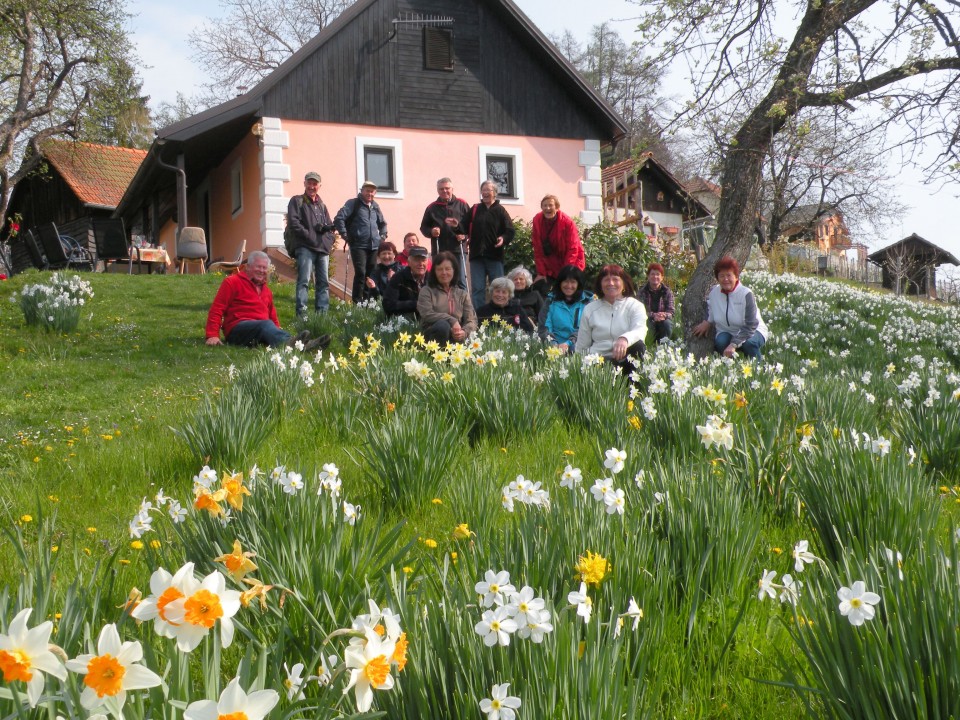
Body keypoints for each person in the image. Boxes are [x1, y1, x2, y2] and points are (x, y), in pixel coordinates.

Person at [205, 251, 328, 351]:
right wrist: (212, 335)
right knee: (265, 324)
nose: (262, 271)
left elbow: (273, 317)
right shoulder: (232, 282)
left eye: (264, 268)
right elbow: (217, 309)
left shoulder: (266, 291)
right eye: (258, 267)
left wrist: (276, 331)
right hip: (237, 331)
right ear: (248, 267)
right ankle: (293, 344)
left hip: (261, 331)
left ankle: (306, 346)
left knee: (267, 325)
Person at [692, 255, 769, 359]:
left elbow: (751, 324)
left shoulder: (746, 294)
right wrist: (707, 322)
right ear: (717, 278)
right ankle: (730, 370)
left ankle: (758, 369)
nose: (726, 279)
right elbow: (711, 308)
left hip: (752, 331)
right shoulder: (714, 293)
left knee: (749, 344)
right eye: (722, 276)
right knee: (720, 343)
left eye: (729, 275)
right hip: (727, 331)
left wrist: (734, 344)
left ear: (736, 277)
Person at [576, 264, 647, 369]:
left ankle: (632, 384)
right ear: (600, 284)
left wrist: (625, 339)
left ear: (624, 284)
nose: (611, 283)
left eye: (615, 279)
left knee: (638, 345)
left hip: (625, 359)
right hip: (598, 360)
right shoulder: (590, 309)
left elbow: (640, 330)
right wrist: (577, 365)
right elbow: (582, 344)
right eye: (606, 280)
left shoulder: (635, 306)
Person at [287, 171, 336, 317]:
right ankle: (301, 315)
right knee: (304, 281)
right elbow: (294, 223)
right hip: (305, 247)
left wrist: (328, 241)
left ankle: (322, 317)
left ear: (319, 186)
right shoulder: (297, 201)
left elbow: (330, 227)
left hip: (322, 249)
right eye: (309, 183)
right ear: (304, 184)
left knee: (323, 284)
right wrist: (310, 236)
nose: (312, 186)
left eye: (315, 184)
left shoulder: (322, 205)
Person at [335, 181, 388, 303]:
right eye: (367, 190)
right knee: (361, 273)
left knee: (371, 274)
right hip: (358, 245)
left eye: (372, 191)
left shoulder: (375, 206)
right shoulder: (353, 203)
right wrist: (345, 235)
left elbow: (383, 223)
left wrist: (382, 237)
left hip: (374, 246)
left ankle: (368, 302)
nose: (370, 193)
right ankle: (357, 302)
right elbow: (339, 218)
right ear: (362, 191)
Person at [467, 180, 515, 309]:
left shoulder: (500, 210)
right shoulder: (475, 209)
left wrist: (503, 239)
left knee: (499, 288)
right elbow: (463, 226)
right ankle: (479, 318)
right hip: (476, 256)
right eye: (483, 190)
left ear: (495, 193)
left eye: (489, 190)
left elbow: (510, 230)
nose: (486, 193)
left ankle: (499, 315)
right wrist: (457, 228)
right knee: (477, 289)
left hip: (495, 255)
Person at [420, 177, 471, 288]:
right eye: (441, 189)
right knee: (440, 280)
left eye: (447, 188)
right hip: (439, 249)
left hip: (458, 249)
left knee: (461, 280)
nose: (444, 191)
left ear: (452, 189)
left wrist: (465, 235)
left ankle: (464, 305)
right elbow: (423, 227)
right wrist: (431, 232)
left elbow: (471, 225)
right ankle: (442, 304)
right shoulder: (431, 207)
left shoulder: (462, 204)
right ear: (438, 190)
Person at [416, 251, 477, 343]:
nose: (444, 273)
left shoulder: (462, 294)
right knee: (443, 326)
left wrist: (464, 332)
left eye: (448, 269)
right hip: (433, 338)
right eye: (439, 269)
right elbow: (426, 314)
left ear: (454, 270)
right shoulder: (427, 291)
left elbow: (472, 320)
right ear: (434, 272)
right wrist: (452, 320)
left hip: (456, 337)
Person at [531, 194, 584, 293]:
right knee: (544, 291)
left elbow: (573, 248)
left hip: (571, 261)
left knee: (569, 291)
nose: (547, 208)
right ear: (541, 207)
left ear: (557, 207)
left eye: (551, 205)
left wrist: (566, 272)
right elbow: (538, 247)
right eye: (545, 205)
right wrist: (541, 272)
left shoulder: (567, 222)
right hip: (550, 263)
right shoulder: (537, 220)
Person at [537, 265, 592, 354]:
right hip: (553, 349)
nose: (569, 285)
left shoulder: (587, 303)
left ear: (579, 284)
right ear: (560, 283)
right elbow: (544, 327)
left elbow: (585, 329)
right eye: (565, 281)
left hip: (579, 348)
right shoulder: (550, 301)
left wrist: (568, 344)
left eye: (573, 282)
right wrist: (553, 345)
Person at [384, 245, 430, 319]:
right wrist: (415, 304)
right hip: (405, 320)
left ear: (428, 262)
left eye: (423, 260)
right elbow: (388, 305)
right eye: (417, 260)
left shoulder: (433, 279)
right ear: (409, 262)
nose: (421, 263)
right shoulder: (398, 278)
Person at [636, 262, 675, 344]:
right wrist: (654, 316)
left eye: (658, 274)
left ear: (662, 277)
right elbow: (639, 312)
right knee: (647, 324)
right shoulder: (642, 292)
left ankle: (665, 347)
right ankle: (649, 346)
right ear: (648, 276)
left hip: (663, 320)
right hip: (649, 320)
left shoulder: (667, 292)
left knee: (666, 324)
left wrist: (663, 315)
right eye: (652, 274)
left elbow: (671, 311)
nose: (655, 277)